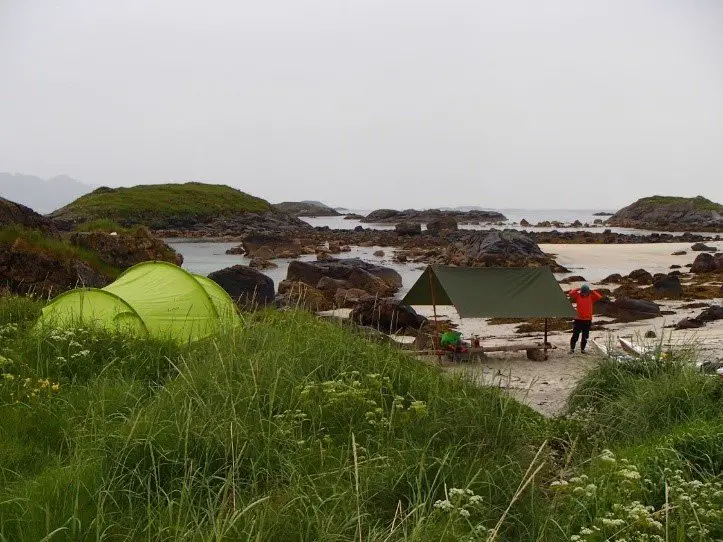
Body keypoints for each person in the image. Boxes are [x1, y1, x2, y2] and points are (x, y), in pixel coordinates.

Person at [567, 283, 603, 354]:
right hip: (578, 319)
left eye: (585, 293)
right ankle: (572, 349)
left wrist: (592, 291)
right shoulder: (578, 296)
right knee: (575, 335)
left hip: (587, 320)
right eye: (583, 293)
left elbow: (599, 297)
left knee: (585, 336)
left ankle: (582, 350)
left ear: (588, 292)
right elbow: (570, 293)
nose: (584, 294)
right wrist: (578, 289)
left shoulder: (591, 297)